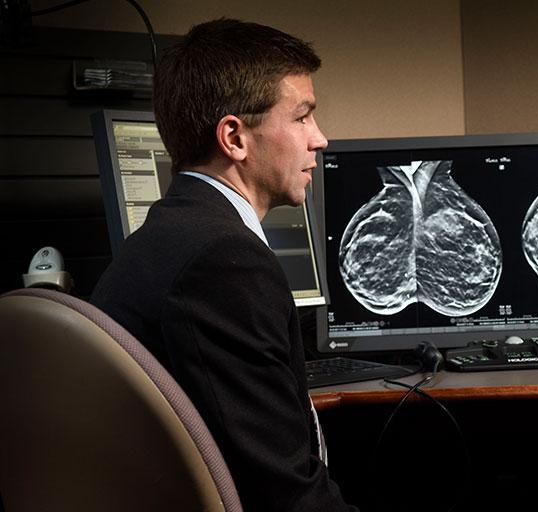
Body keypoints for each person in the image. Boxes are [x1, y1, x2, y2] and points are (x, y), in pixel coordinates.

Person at [90, 19, 356, 511]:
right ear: (234, 137)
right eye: (302, 118)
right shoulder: (223, 263)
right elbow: (286, 496)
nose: (320, 139)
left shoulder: (168, 234)